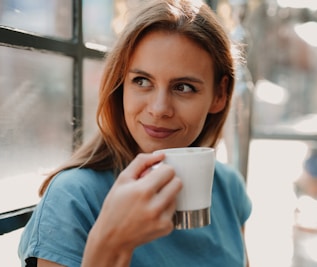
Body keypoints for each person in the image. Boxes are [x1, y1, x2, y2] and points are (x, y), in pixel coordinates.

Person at [18, 0, 252, 266]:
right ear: (120, 85)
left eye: (183, 87)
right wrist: (110, 241)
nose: (159, 109)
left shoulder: (228, 188)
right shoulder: (74, 199)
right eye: (142, 81)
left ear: (219, 95)